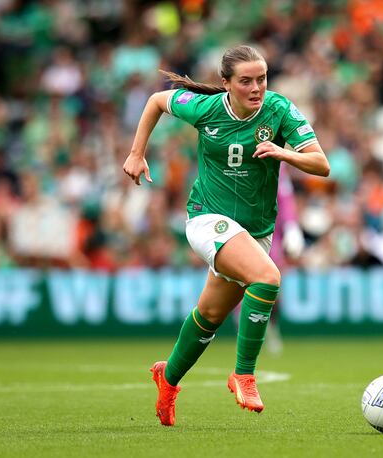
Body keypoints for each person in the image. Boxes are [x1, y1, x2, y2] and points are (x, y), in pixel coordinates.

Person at [122, 45, 330, 427]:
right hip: (206, 219)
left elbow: (322, 164)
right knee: (267, 278)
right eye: (246, 81)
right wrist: (136, 153)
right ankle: (244, 374)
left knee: (211, 315)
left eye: (262, 79)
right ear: (226, 84)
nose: (256, 88)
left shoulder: (280, 110)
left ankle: (167, 380)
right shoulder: (206, 108)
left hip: (255, 231)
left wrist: (286, 155)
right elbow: (155, 101)